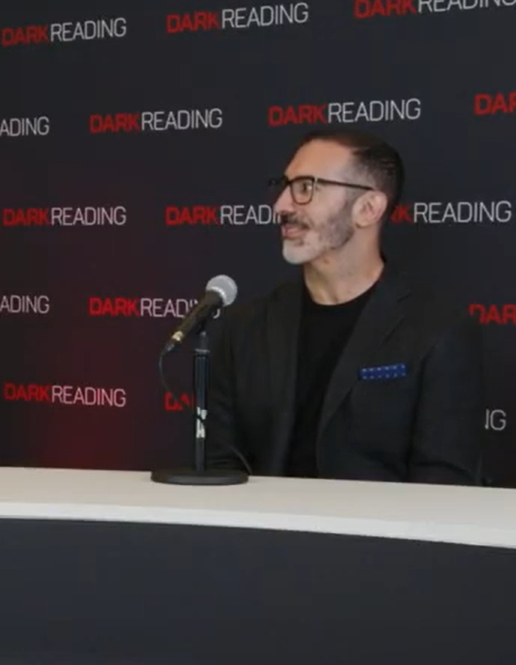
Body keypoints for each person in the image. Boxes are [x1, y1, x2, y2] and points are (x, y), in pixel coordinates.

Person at [204, 128, 483, 484]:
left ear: (368, 208)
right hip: (262, 536)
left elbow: (443, 488)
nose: (281, 206)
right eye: (285, 186)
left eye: (306, 187)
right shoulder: (245, 326)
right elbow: (221, 467)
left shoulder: (439, 332)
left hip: (378, 538)